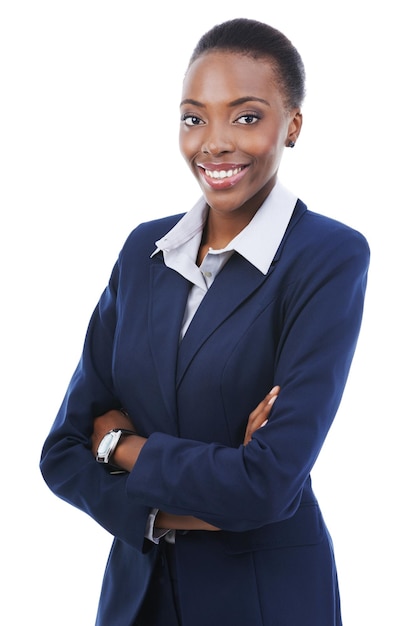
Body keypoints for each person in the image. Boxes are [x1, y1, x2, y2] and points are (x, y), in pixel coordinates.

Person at [40, 17, 370, 626]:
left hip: (264, 600)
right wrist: (184, 510)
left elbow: (267, 484)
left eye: (246, 116)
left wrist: (120, 446)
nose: (214, 142)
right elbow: (61, 453)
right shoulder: (144, 252)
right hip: (135, 600)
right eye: (195, 117)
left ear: (292, 124)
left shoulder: (329, 256)